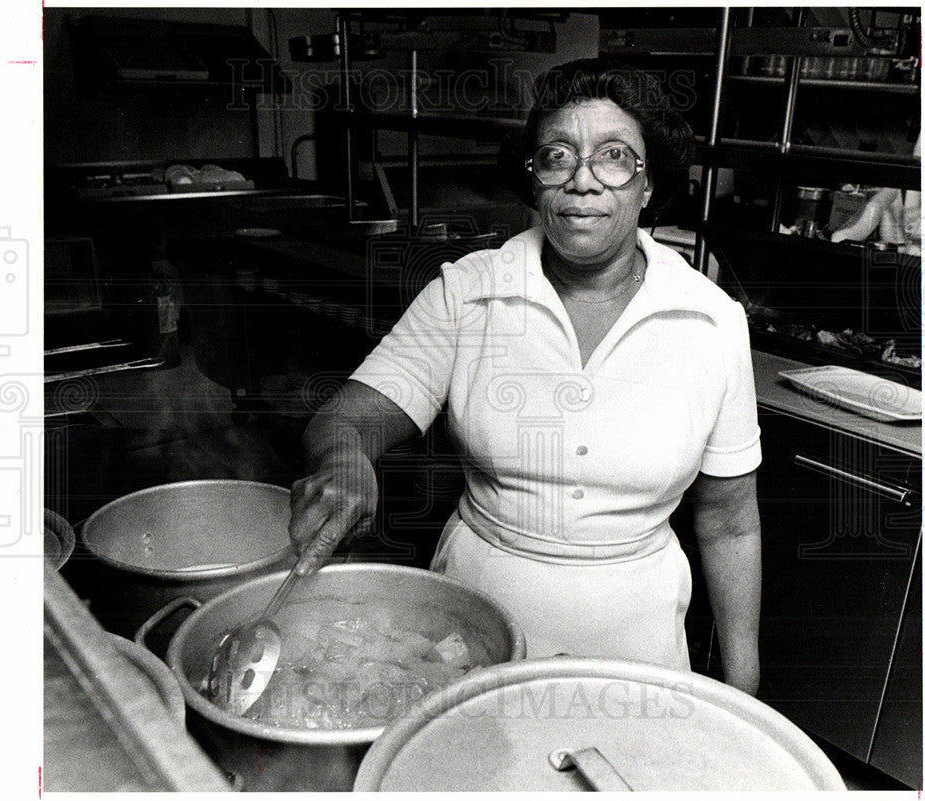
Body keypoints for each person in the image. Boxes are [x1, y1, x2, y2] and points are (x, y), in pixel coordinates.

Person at [288, 58, 762, 695]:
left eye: (615, 157)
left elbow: (730, 521)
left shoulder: (711, 321)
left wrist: (743, 683)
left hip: (637, 645)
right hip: (472, 628)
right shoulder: (470, 292)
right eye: (558, 157)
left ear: (649, 186)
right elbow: (346, 418)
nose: (583, 182)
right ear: (534, 179)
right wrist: (346, 459)